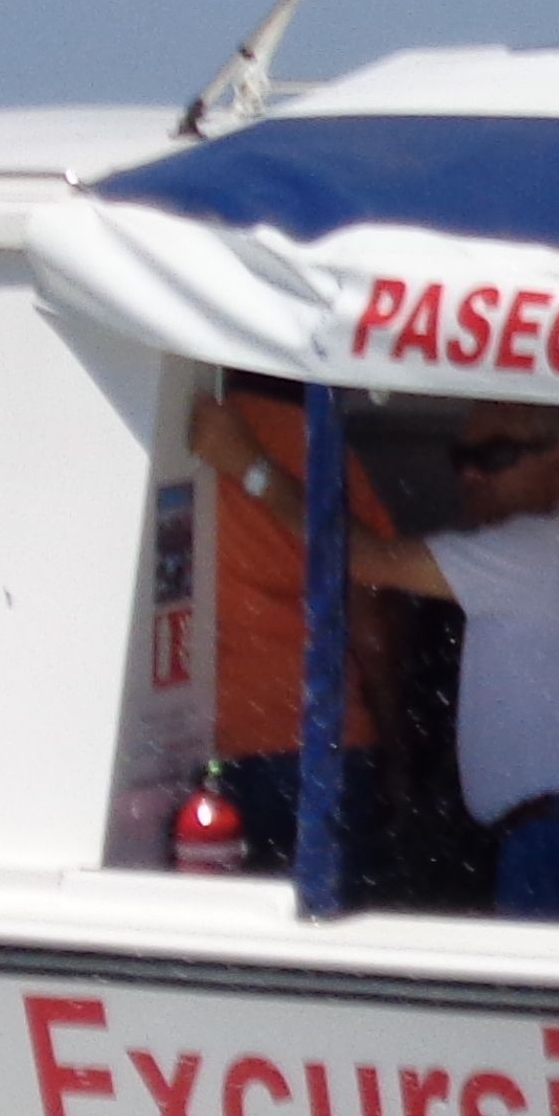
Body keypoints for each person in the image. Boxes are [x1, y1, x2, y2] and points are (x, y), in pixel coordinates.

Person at [328, 401, 559, 918]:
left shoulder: (541, 546)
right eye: (462, 456)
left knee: (548, 999)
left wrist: (252, 469)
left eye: (495, 455)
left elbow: (366, 559)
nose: (470, 474)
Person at [187, 372, 394, 885]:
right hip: (326, 739)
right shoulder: (321, 446)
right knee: (335, 943)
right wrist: (398, 739)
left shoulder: (184, 433)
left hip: (212, 751)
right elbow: (372, 629)